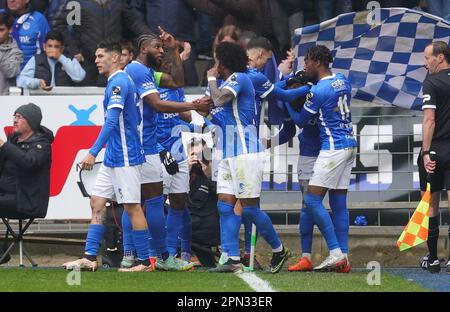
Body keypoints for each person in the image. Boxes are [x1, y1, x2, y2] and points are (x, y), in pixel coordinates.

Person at [121, 29, 210, 271]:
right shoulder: (136, 71)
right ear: (143, 49)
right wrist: (194, 104)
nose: (162, 52)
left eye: (164, 50)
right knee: (135, 201)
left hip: (158, 148)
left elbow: (177, 82)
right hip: (141, 148)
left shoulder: (151, 74)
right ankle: (135, 254)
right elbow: (157, 105)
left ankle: (162, 255)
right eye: (158, 48)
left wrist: (174, 49)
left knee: (157, 200)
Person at [62, 40, 152, 272]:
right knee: (97, 203)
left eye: (100, 56)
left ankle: (144, 261)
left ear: (114, 58)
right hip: (114, 155)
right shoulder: (115, 81)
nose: (96, 60)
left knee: (132, 207)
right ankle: (90, 257)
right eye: (96, 56)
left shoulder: (119, 82)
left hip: (126, 155)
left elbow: (112, 121)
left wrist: (92, 153)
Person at [205, 42, 291, 274]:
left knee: (250, 209)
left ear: (223, 62)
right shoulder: (231, 81)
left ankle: (279, 249)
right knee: (224, 206)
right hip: (228, 153)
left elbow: (220, 99)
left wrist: (210, 79)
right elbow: (220, 114)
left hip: (245, 152)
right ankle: (232, 259)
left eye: (216, 61)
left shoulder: (240, 78)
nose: (215, 66)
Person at [283, 45, 356, 271]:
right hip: (350, 144)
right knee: (338, 202)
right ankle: (344, 257)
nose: (304, 65)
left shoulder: (318, 91)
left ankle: (334, 252)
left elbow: (302, 121)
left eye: (306, 61)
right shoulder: (343, 80)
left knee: (312, 200)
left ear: (316, 61)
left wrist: (286, 100)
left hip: (332, 148)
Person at [0, 103, 53, 264]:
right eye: (14, 117)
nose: (15, 121)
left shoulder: (42, 145)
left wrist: (5, 146)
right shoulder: (13, 142)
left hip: (27, 200)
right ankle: (2, 252)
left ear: (31, 122)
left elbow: (28, 163)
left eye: (19, 117)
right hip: (7, 196)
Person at [52, 0, 149, 86]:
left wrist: (151, 37)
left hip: (112, 62)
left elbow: (134, 23)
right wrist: (74, 48)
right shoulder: (78, 3)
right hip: (86, 61)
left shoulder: (119, 2)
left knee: (115, 97)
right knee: (87, 101)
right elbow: (59, 24)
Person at [418, 41, 450, 273]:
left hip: (436, 148)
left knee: (431, 204)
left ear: (440, 58)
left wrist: (426, 151)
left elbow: (429, 119)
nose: (425, 62)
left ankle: (432, 259)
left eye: (427, 57)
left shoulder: (431, 82)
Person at [16, 30, 85, 90]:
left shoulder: (70, 59)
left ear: (62, 49)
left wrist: (60, 57)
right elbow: (20, 80)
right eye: (50, 46)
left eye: (56, 47)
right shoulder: (36, 59)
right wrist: (37, 82)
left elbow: (79, 77)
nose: (53, 49)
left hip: (65, 100)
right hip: (42, 100)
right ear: (44, 47)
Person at [3, 0, 50, 69]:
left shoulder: (39, 19)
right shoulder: (1, 16)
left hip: (31, 73)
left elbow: (49, 49)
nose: (11, 0)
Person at [0, 11, 22, 95]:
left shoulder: (16, 52)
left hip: (3, 100)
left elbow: (11, 72)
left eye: (1, 30)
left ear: (10, 29)